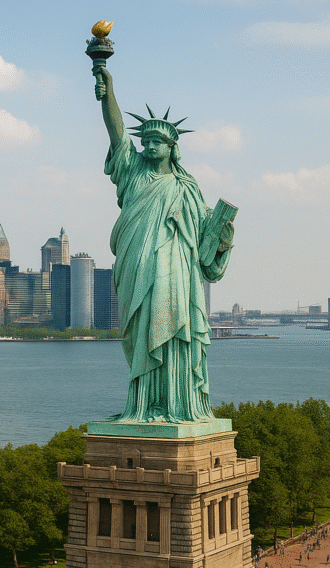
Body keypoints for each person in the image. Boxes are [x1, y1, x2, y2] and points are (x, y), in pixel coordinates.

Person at [93, 65, 235, 423]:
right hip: (135, 264)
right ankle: (143, 406)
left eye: (159, 141)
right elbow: (117, 131)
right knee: (139, 331)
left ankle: (177, 405)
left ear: (173, 148)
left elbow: (206, 250)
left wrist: (222, 240)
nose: (151, 145)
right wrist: (108, 86)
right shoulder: (131, 170)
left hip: (175, 272)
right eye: (147, 141)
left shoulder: (187, 189)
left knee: (174, 332)